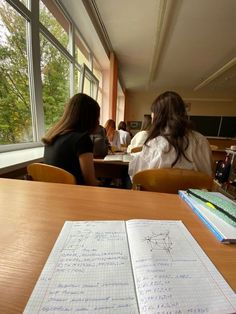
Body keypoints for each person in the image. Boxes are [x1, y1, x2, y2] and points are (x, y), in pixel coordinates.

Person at [128, 91, 213, 180]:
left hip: (156, 193)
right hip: (192, 193)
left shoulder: (154, 143)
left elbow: (136, 177)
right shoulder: (201, 141)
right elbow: (208, 176)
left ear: (158, 116)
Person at [42, 93, 100, 186]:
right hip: (75, 196)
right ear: (91, 118)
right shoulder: (82, 140)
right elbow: (91, 182)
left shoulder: (51, 136)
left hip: (52, 195)